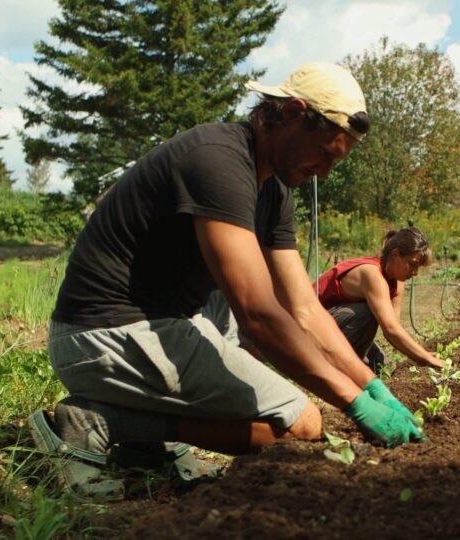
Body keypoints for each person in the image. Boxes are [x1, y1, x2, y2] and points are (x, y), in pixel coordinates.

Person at [29, 62, 423, 502]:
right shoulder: (218, 160)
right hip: (104, 333)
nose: (326, 171)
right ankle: (106, 422)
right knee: (299, 425)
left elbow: (305, 309)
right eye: (325, 153)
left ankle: (142, 436)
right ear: (292, 113)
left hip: (159, 327)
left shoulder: (274, 190)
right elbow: (257, 313)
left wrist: (371, 385)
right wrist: (353, 403)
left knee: (289, 408)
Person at [314, 227, 445, 372]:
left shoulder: (397, 281)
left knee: (383, 367)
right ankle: (335, 367)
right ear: (395, 254)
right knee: (367, 313)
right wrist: (426, 358)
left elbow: (393, 327)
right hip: (309, 329)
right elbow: (390, 329)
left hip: (335, 326)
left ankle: (350, 363)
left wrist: (423, 354)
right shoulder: (371, 274)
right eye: (412, 264)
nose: (415, 272)